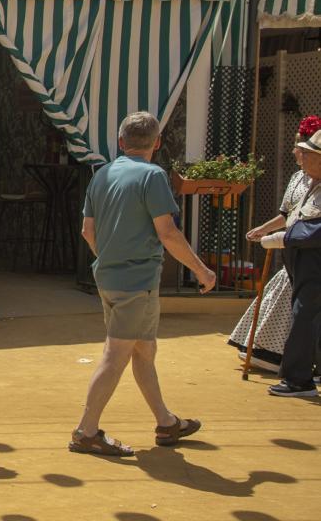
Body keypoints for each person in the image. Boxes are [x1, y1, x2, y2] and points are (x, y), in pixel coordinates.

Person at [70, 112, 216, 457]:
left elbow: (87, 231)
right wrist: (200, 270)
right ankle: (85, 431)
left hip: (110, 277)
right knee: (117, 353)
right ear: (157, 143)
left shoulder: (102, 174)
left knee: (143, 350)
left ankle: (166, 422)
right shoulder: (153, 175)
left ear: (121, 142)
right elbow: (167, 232)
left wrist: (108, 257)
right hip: (137, 281)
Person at [242, 118, 321, 397]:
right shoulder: (309, 183)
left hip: (314, 262)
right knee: (307, 315)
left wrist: (279, 239)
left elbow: (311, 230)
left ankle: (299, 380)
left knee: (304, 315)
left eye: (308, 152)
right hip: (302, 261)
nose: (300, 154)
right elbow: (292, 217)